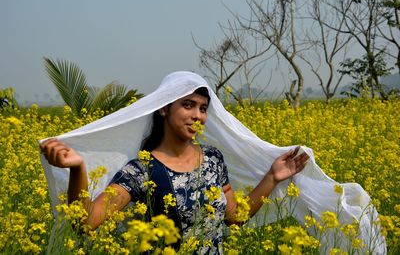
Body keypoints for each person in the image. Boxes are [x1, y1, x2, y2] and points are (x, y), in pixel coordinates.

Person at [40, 71, 386, 254]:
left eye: (203, 108)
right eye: (188, 105)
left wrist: (273, 177)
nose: (197, 116)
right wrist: (79, 170)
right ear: (164, 108)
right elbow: (86, 224)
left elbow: (234, 218)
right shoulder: (141, 169)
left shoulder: (213, 161)